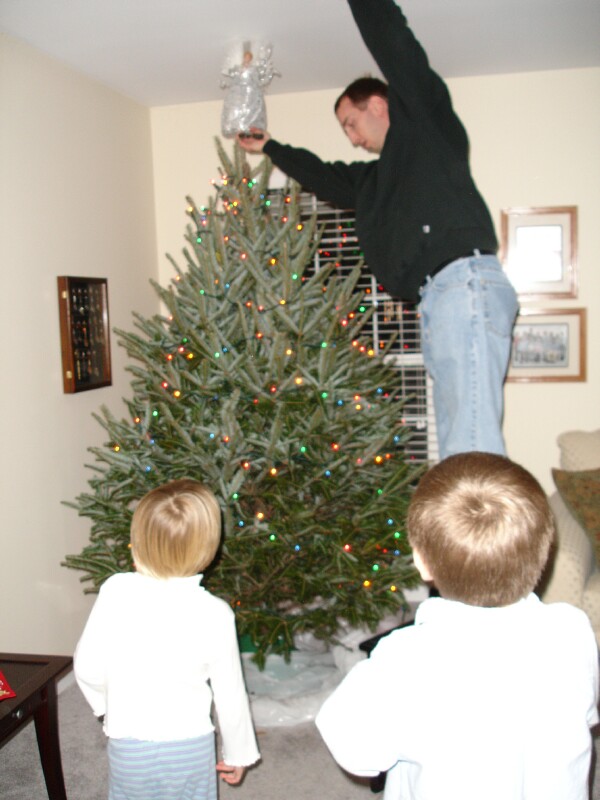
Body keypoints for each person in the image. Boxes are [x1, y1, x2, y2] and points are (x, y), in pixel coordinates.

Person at [237, 0, 519, 461]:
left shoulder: (425, 127)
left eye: (351, 123)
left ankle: (479, 511)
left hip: (462, 284)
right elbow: (324, 176)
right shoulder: (374, 180)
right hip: (439, 297)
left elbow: (396, 45)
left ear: (380, 104)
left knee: (470, 443)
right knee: (458, 443)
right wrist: (271, 147)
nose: (352, 138)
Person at [314, 452, 599, 799]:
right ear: (544, 552)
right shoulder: (571, 631)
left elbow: (357, 753)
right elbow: (584, 714)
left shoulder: (401, 658)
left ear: (421, 563)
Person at [74, 479, 260, 800]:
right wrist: (238, 753)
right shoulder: (216, 613)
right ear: (209, 549)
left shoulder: (115, 590)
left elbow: (86, 665)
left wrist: (105, 706)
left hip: (129, 744)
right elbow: (230, 694)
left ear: (137, 541)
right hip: (190, 745)